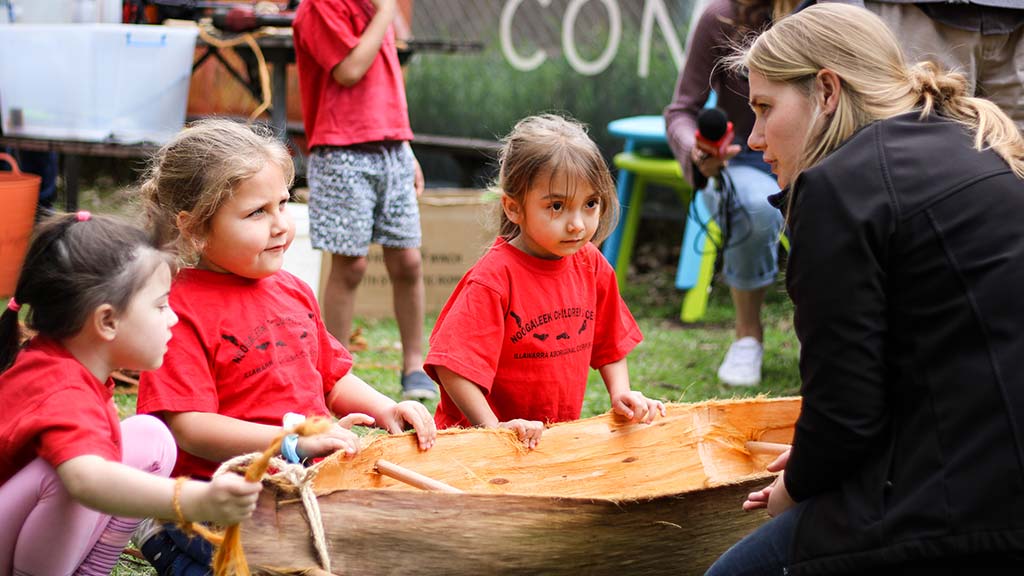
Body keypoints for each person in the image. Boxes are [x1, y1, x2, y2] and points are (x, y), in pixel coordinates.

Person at [704, 4, 1024, 575]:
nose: (753, 138)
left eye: (764, 108)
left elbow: (846, 414)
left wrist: (795, 490)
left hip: (966, 507)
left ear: (827, 91)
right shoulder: (971, 146)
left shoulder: (838, 189)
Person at [133, 119, 437, 575]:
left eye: (284, 203)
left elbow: (332, 378)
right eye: (257, 213)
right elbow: (189, 427)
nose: (280, 225)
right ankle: (160, 533)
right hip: (218, 500)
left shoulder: (292, 289)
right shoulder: (175, 308)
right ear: (194, 227)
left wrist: (386, 408)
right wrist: (288, 442)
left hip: (303, 488)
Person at [0, 212, 260, 576]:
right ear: (107, 321)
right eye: (160, 305)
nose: (173, 319)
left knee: (152, 438)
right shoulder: (59, 386)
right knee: (70, 473)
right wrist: (194, 499)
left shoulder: (68, 365)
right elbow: (88, 481)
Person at [423, 114, 666, 449]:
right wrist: (495, 431)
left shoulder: (591, 265)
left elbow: (610, 343)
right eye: (557, 206)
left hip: (544, 445)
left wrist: (620, 391)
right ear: (513, 207)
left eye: (590, 204)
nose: (577, 224)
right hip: (473, 448)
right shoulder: (494, 279)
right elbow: (454, 369)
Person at [293, 0, 436, 400]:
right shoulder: (318, 8)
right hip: (341, 152)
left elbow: (386, 84)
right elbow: (351, 70)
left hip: (392, 147)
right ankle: (338, 376)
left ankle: (414, 366)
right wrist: (387, 13)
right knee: (350, 265)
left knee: (407, 259)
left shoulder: (376, 7)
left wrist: (407, 148)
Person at [664, 0, 793, 387]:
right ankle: (748, 336)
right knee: (756, 207)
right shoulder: (721, 16)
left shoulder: (831, 12)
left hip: (817, 154)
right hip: (745, 157)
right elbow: (681, 111)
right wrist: (697, 150)